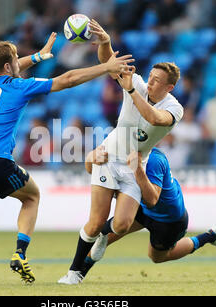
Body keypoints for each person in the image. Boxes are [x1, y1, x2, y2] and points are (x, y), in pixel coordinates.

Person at [0, 32, 134, 287]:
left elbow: (8, 67)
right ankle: (19, 253)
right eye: (15, 60)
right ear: (7, 66)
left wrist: (37, 56)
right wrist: (106, 67)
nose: (19, 63)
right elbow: (66, 79)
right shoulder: (19, 87)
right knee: (31, 196)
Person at [59, 20, 184, 284]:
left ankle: (104, 238)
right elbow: (109, 63)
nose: (150, 82)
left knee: (123, 224)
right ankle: (73, 273)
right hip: (108, 157)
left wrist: (129, 89)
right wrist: (105, 43)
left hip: (134, 164)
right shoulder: (136, 83)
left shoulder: (174, 108)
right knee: (95, 222)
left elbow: (152, 117)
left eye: (157, 80)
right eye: (150, 76)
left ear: (169, 88)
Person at [79, 146, 216, 282]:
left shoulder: (155, 159)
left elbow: (152, 200)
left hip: (169, 219)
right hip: (143, 209)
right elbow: (94, 171)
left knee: (156, 257)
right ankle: (77, 274)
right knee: (104, 236)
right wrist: (90, 157)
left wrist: (136, 169)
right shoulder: (117, 151)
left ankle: (209, 236)